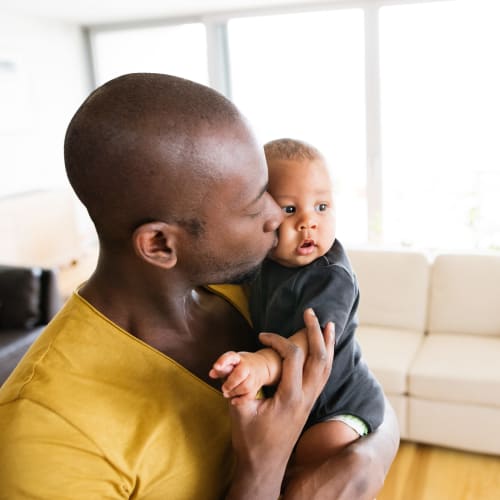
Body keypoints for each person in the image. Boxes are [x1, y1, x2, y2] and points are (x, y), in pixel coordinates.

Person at [0, 73, 399, 499]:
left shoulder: (245, 286)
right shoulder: (46, 435)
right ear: (159, 243)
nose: (275, 217)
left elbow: (367, 397)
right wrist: (262, 467)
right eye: (253, 204)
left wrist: (364, 459)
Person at [210, 138, 385, 466]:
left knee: (316, 448)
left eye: (321, 207)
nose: (309, 222)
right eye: (290, 209)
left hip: (340, 403)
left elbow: (313, 342)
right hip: (294, 400)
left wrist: (262, 364)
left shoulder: (330, 276)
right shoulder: (265, 258)